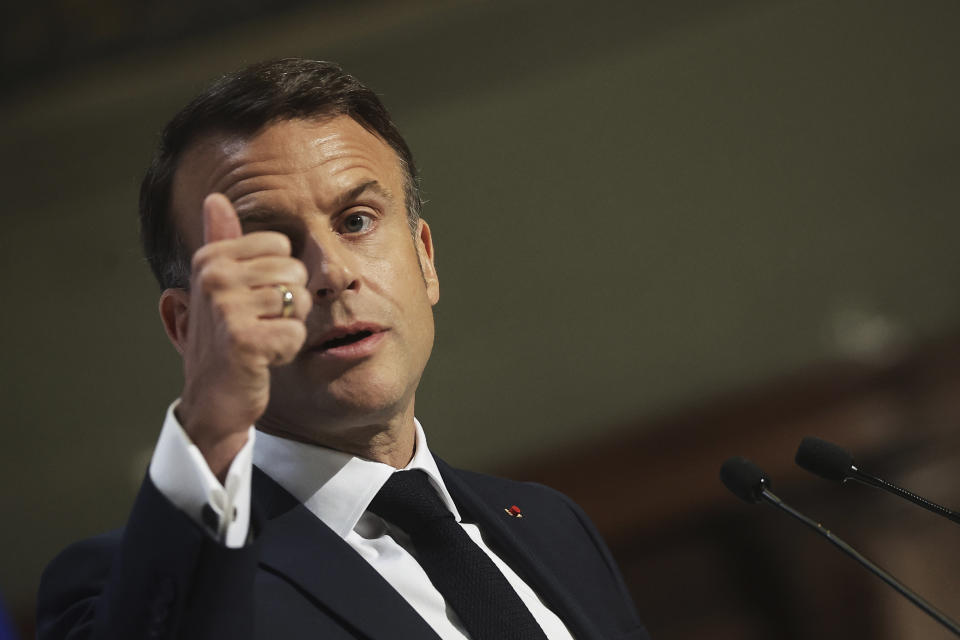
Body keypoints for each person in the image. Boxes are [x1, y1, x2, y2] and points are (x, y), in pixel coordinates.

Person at [37, 58, 649, 640]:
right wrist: (210, 420)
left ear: (425, 259)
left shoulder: (550, 524)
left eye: (356, 220)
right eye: (269, 244)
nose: (329, 273)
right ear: (188, 327)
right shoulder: (120, 587)